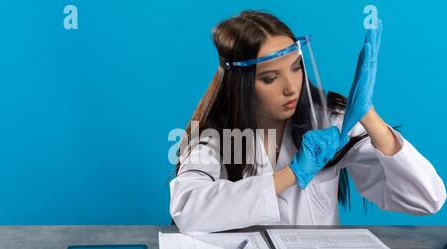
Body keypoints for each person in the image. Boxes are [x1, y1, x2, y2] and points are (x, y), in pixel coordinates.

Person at [169, 10, 446, 234]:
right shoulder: (216, 139)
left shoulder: (328, 122)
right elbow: (188, 211)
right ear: (241, 84)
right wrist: (293, 173)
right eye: (270, 78)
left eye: (296, 67)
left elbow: (426, 199)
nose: (291, 88)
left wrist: (368, 116)